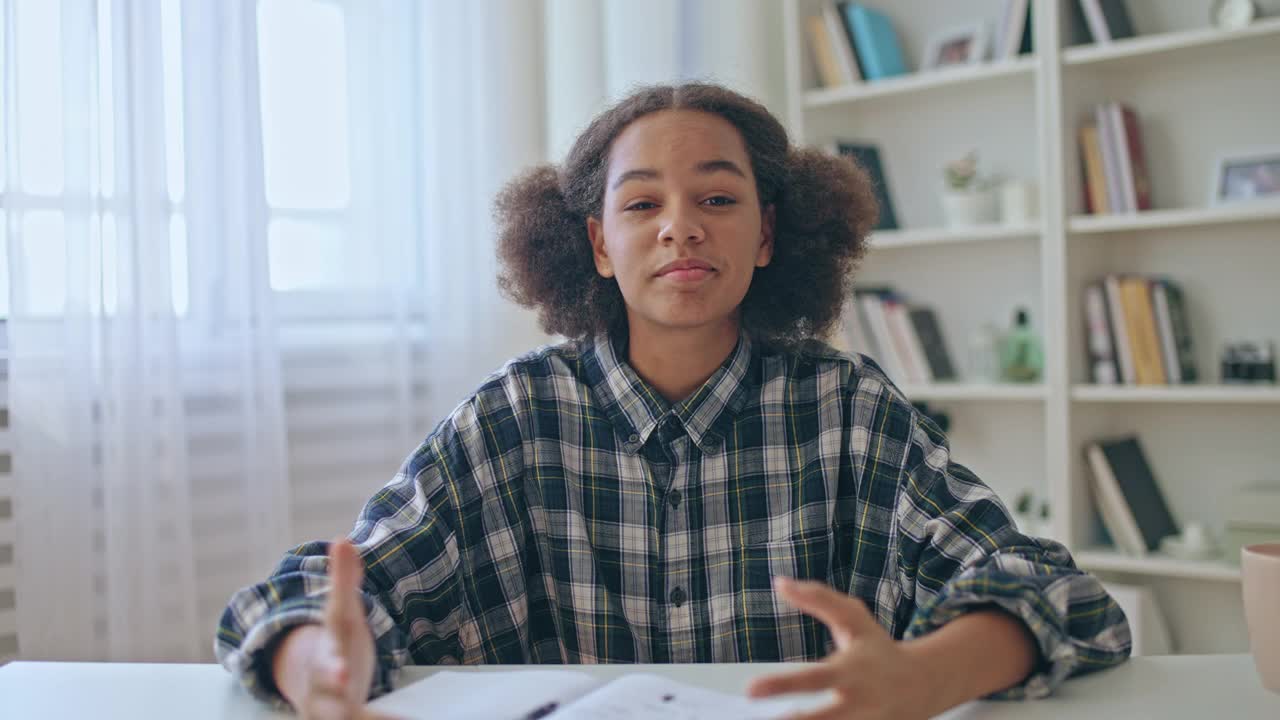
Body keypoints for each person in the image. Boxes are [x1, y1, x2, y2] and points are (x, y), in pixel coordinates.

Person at [216, 82, 1131, 719]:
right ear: (597, 246)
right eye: (641, 203)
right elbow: (301, 600)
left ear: (770, 235)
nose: (681, 225)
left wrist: (922, 682)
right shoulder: (512, 419)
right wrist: (320, 670)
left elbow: (1056, 593)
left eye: (719, 198)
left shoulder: (846, 409)